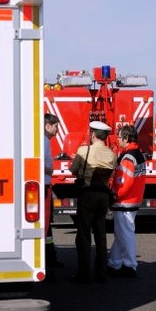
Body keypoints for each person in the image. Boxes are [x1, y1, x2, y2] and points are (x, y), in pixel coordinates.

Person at [69, 120, 116, 283]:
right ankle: (101, 273)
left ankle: (84, 273)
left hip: (87, 195)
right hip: (104, 197)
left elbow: (73, 170)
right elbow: (111, 174)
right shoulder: (112, 154)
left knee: (83, 234)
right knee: (100, 234)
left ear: (93, 134)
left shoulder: (84, 150)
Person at [107, 125, 146, 278]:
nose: (117, 139)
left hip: (125, 201)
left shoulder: (128, 157)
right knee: (121, 234)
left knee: (126, 234)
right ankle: (114, 263)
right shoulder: (138, 154)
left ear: (126, 138)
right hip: (133, 200)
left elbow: (124, 183)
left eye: (119, 137)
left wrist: (115, 195)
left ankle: (130, 265)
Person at [43, 113, 63, 268]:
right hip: (43, 187)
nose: (57, 129)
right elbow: (36, 162)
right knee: (45, 223)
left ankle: (50, 257)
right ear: (47, 126)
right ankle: (48, 259)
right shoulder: (43, 141)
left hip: (46, 186)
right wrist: (48, 170)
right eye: (56, 126)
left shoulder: (45, 141)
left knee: (48, 224)